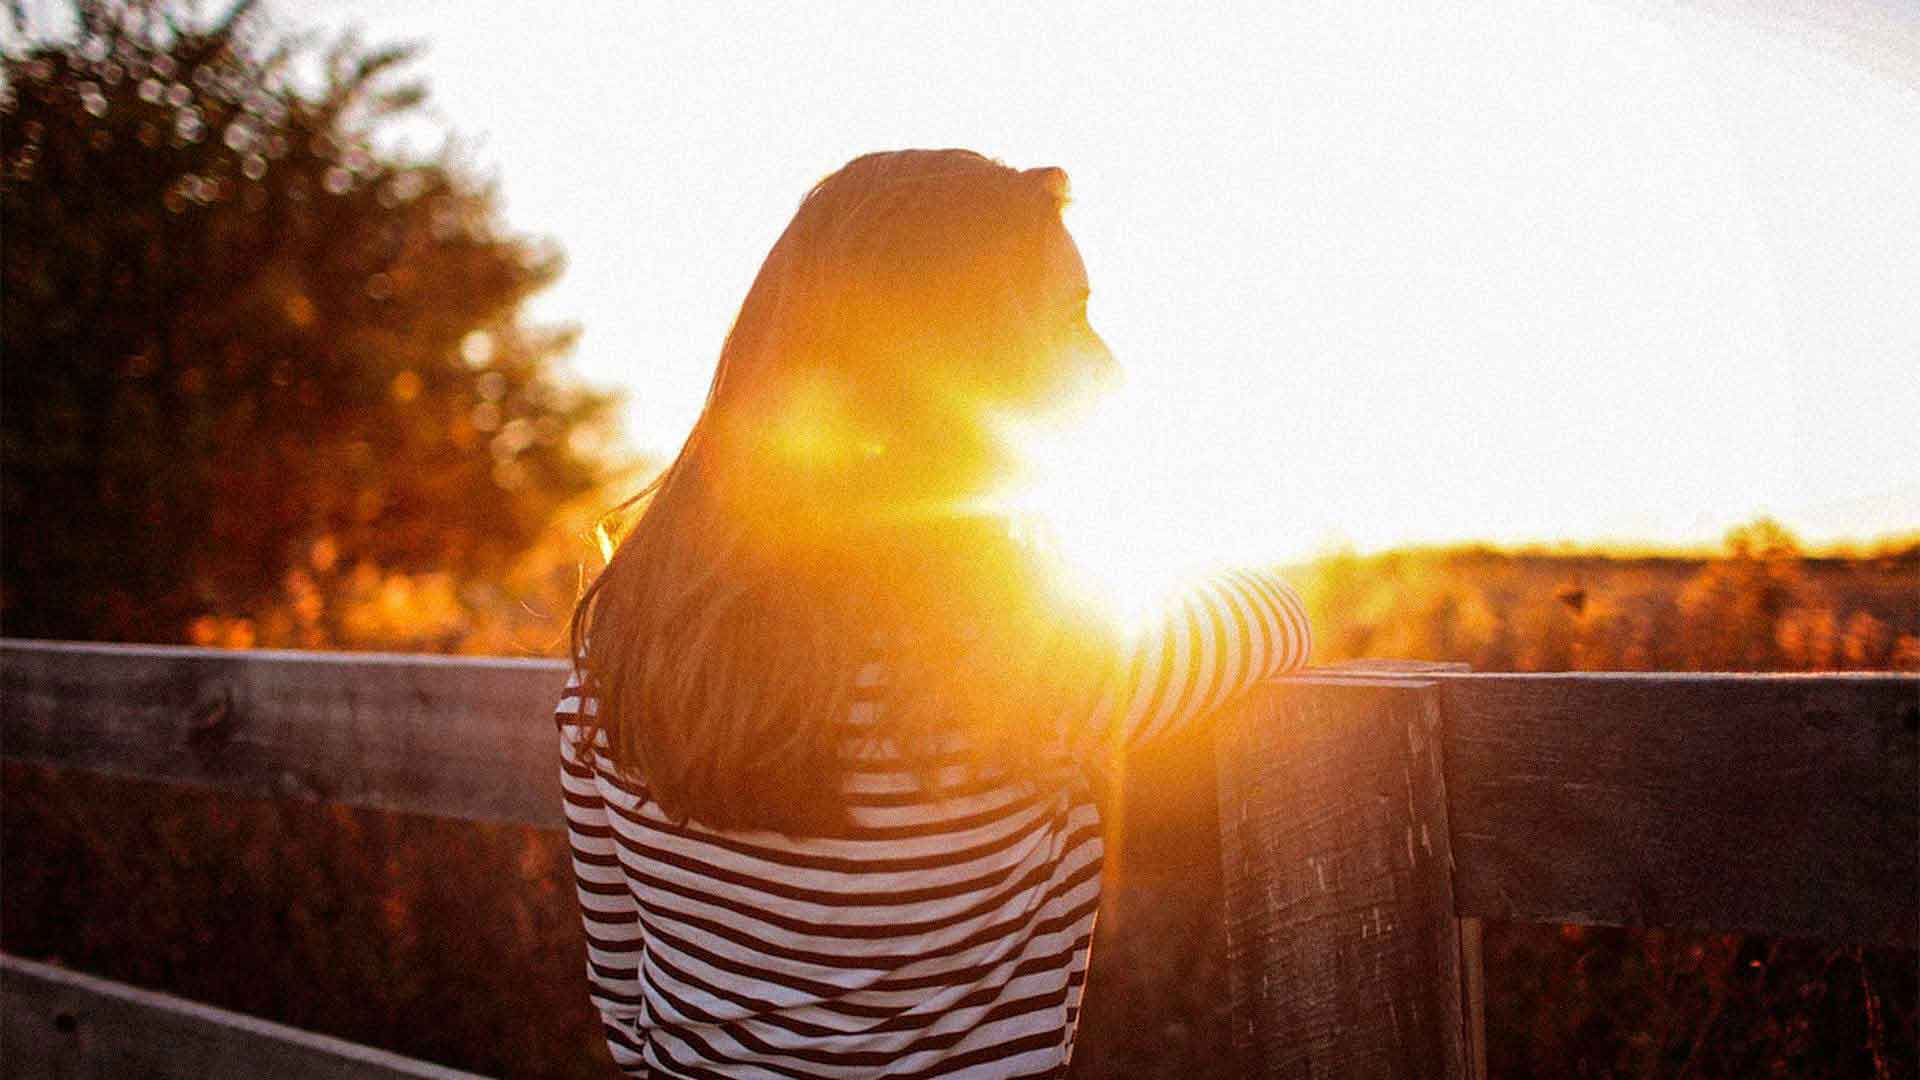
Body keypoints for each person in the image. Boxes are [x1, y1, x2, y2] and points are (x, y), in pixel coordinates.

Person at [556, 148, 1312, 1078]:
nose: (1108, 365)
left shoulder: (619, 642)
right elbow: (1274, 615)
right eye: (1072, 318)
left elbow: (622, 987)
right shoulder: (1027, 658)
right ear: (960, 360)